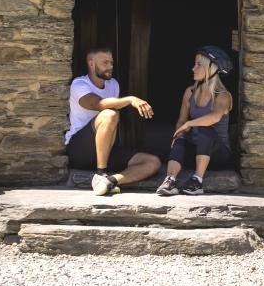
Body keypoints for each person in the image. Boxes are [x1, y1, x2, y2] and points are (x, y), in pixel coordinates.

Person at [65, 46, 162, 196]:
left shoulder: (113, 84)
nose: (110, 66)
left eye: (111, 62)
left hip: (106, 149)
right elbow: (97, 104)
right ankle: (101, 173)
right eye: (105, 62)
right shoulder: (80, 84)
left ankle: (110, 181)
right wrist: (131, 99)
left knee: (152, 162)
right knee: (109, 114)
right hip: (80, 150)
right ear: (91, 64)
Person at [156, 45, 234, 196]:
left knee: (206, 129)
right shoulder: (189, 92)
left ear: (211, 69)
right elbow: (181, 120)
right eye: (194, 64)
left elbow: (214, 117)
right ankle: (170, 180)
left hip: (218, 154)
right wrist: (179, 133)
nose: (193, 68)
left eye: (199, 64)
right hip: (197, 153)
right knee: (181, 138)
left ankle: (197, 181)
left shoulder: (223, 95)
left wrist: (190, 124)